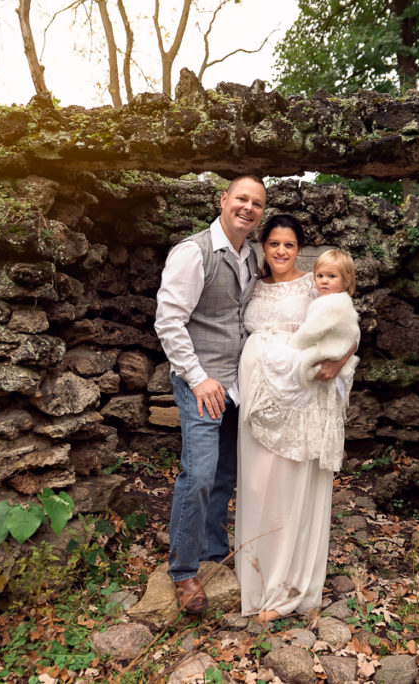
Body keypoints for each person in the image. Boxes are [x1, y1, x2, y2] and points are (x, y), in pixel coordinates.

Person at [154, 175, 266, 615]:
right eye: (242, 198)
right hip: (201, 382)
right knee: (198, 474)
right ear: (223, 200)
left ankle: (215, 548)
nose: (248, 208)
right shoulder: (192, 251)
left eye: (257, 203)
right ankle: (183, 571)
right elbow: (168, 321)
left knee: (224, 474)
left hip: (238, 385)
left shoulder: (251, 256)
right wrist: (198, 378)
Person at [236, 217, 357, 623]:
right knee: (256, 485)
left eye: (289, 244)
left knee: (290, 486)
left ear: (299, 248)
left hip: (299, 400)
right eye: (274, 244)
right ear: (263, 246)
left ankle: (288, 588)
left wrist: (337, 362)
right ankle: (255, 577)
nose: (281, 251)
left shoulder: (316, 284)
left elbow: (348, 330)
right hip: (258, 397)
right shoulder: (251, 285)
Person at [241, 248, 359, 472]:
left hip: (312, 367)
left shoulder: (329, 299)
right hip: (262, 375)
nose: (324, 281)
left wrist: (293, 347)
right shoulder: (251, 283)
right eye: (321, 276)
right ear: (263, 246)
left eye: (331, 277)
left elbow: (332, 333)